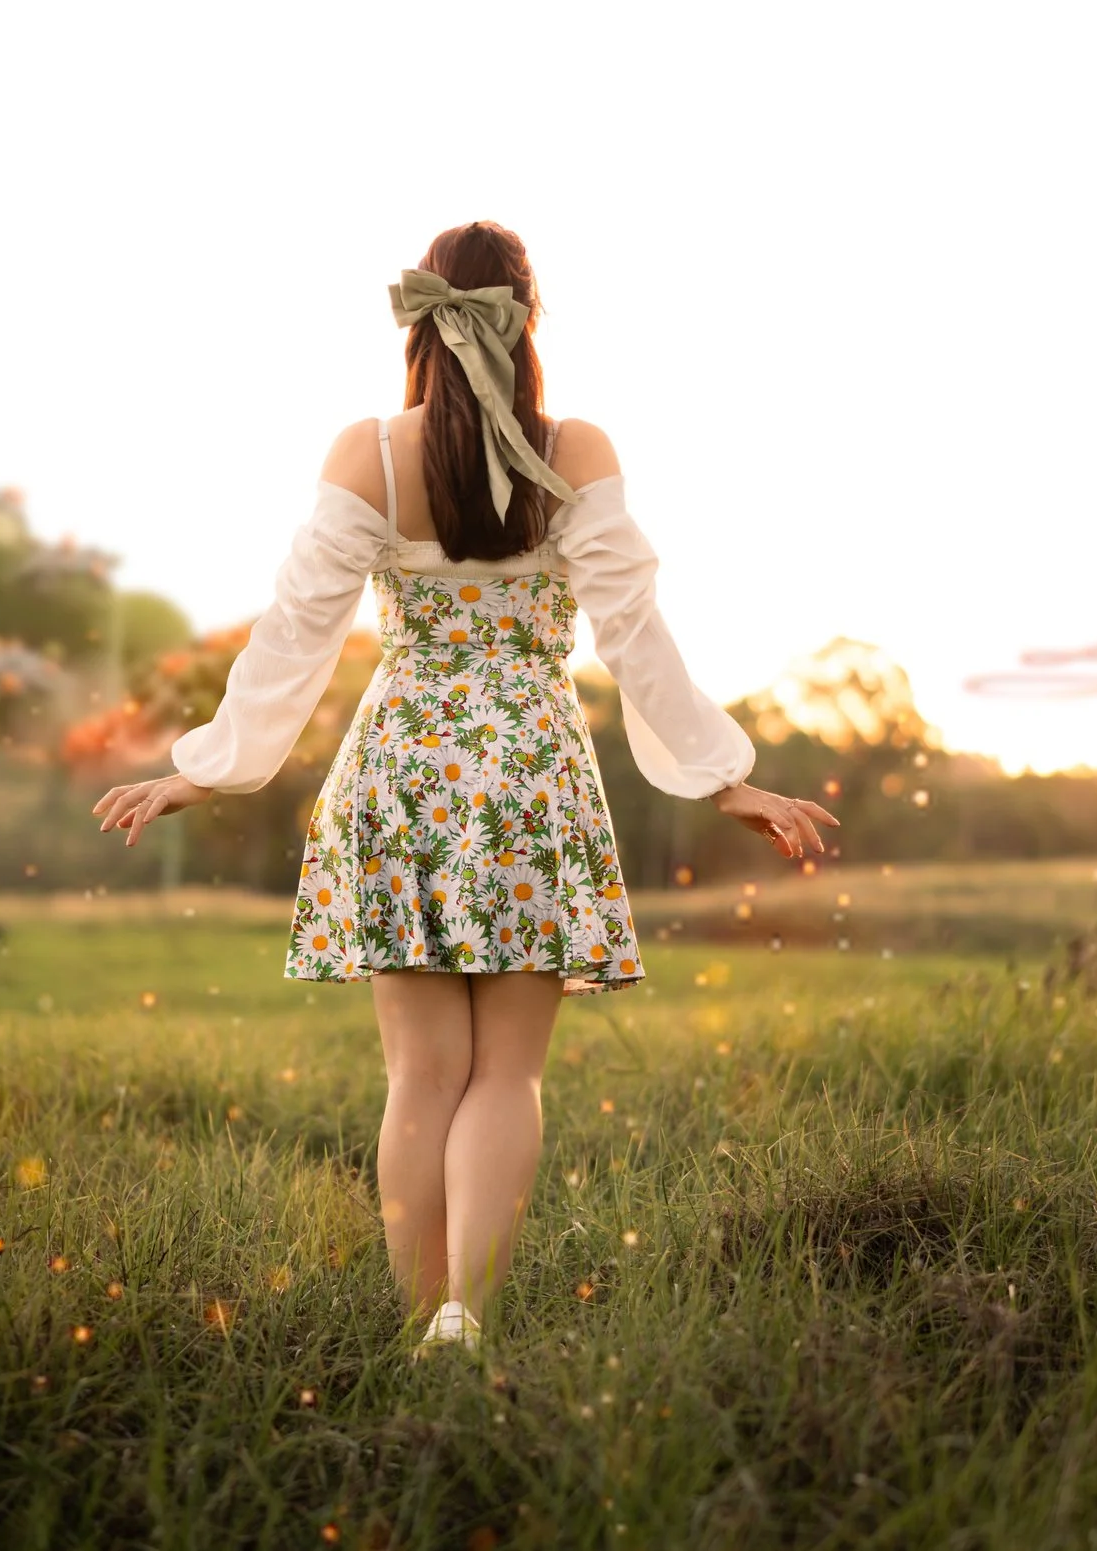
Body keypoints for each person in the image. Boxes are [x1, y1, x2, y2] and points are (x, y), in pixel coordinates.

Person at [94, 221, 837, 1355]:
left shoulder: (370, 456)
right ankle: (466, 1316)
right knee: (506, 1073)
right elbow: (632, 628)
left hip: (403, 772)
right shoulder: (574, 448)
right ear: (529, 316)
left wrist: (210, 769)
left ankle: (416, 1323)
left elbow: (296, 632)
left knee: (420, 1072)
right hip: (530, 777)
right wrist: (723, 780)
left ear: (418, 322)